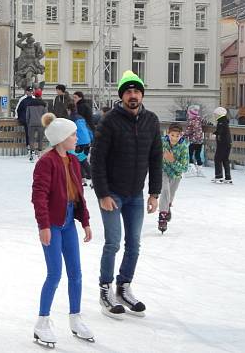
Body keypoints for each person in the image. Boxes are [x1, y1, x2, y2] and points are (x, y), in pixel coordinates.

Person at [91, 70, 162, 319]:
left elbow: (156, 158)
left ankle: (123, 287)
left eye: (137, 91)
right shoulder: (109, 121)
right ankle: (105, 289)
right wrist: (102, 193)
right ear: (122, 96)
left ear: (142, 94)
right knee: (112, 243)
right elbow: (97, 159)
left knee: (134, 244)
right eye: (128, 92)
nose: (133, 95)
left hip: (136, 195)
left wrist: (154, 193)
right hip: (112, 193)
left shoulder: (151, 120)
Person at [31, 113, 94, 347]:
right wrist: (44, 225)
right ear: (61, 138)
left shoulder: (74, 161)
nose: (77, 138)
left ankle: (75, 318)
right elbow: (39, 197)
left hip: (68, 223)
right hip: (53, 224)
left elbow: (79, 195)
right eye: (73, 135)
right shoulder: (46, 162)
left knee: (76, 273)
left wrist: (85, 222)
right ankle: (42, 322)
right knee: (55, 273)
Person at [157, 123, 189, 234]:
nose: (174, 138)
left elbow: (185, 168)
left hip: (176, 174)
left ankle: (167, 206)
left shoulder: (184, 147)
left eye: (177, 135)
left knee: (171, 194)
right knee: (165, 190)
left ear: (181, 135)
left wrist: (172, 160)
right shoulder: (162, 142)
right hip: (163, 171)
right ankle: (162, 216)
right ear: (168, 134)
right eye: (172, 135)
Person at [68, 103, 93, 185]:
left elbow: (71, 131)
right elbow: (87, 128)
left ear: (69, 110)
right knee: (81, 159)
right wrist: (91, 138)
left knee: (81, 160)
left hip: (79, 141)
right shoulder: (81, 117)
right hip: (86, 140)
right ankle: (83, 179)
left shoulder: (71, 119)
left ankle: (90, 176)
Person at [25, 89, 48, 161]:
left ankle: (32, 153)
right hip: (41, 124)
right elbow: (45, 115)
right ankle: (39, 153)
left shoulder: (30, 103)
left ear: (34, 95)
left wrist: (28, 122)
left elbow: (27, 115)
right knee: (40, 139)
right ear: (41, 95)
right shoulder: (44, 104)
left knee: (31, 139)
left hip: (31, 123)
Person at [211, 107, 233, 184]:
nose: (215, 116)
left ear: (219, 114)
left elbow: (220, 130)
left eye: (215, 114)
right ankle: (228, 177)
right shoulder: (225, 121)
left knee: (217, 158)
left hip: (222, 144)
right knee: (225, 159)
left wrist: (215, 134)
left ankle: (219, 176)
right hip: (227, 143)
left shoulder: (221, 121)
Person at [184, 104, 205, 177]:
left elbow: (188, 130)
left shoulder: (191, 120)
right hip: (200, 140)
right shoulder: (199, 119)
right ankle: (200, 171)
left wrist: (184, 136)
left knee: (190, 154)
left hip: (193, 140)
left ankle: (191, 170)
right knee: (197, 155)